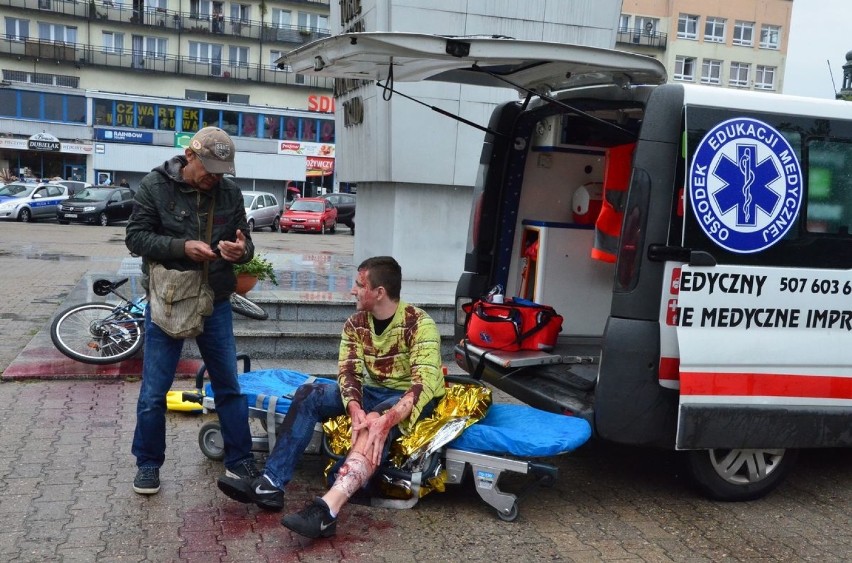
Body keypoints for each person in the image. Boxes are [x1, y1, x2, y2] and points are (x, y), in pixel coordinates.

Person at [218, 256, 445, 539]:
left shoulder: (420, 324)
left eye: (359, 285)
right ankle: (270, 485)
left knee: (374, 423)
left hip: (409, 398)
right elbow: (348, 372)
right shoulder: (355, 323)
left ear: (379, 292)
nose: (353, 290)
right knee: (310, 392)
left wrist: (384, 419)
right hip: (372, 391)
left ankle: (328, 511)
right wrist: (353, 407)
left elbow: (421, 385)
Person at [125, 126, 259, 495]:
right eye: (209, 170)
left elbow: (245, 243)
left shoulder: (229, 192)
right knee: (154, 391)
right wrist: (182, 247)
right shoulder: (155, 185)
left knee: (229, 386)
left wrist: (239, 252)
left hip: (214, 299)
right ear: (190, 157)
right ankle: (148, 464)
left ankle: (240, 458)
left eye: (221, 172)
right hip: (169, 300)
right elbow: (135, 238)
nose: (215, 178)